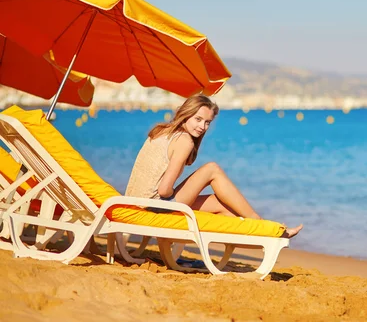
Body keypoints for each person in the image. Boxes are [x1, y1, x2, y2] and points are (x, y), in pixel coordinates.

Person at [125, 94, 302, 238]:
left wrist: (185, 192)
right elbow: (164, 191)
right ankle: (264, 226)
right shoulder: (184, 140)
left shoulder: (161, 130)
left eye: (207, 122)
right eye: (198, 119)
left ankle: (263, 233)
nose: (202, 126)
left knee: (221, 204)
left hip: (134, 201)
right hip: (153, 205)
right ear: (186, 114)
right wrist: (183, 193)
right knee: (212, 169)